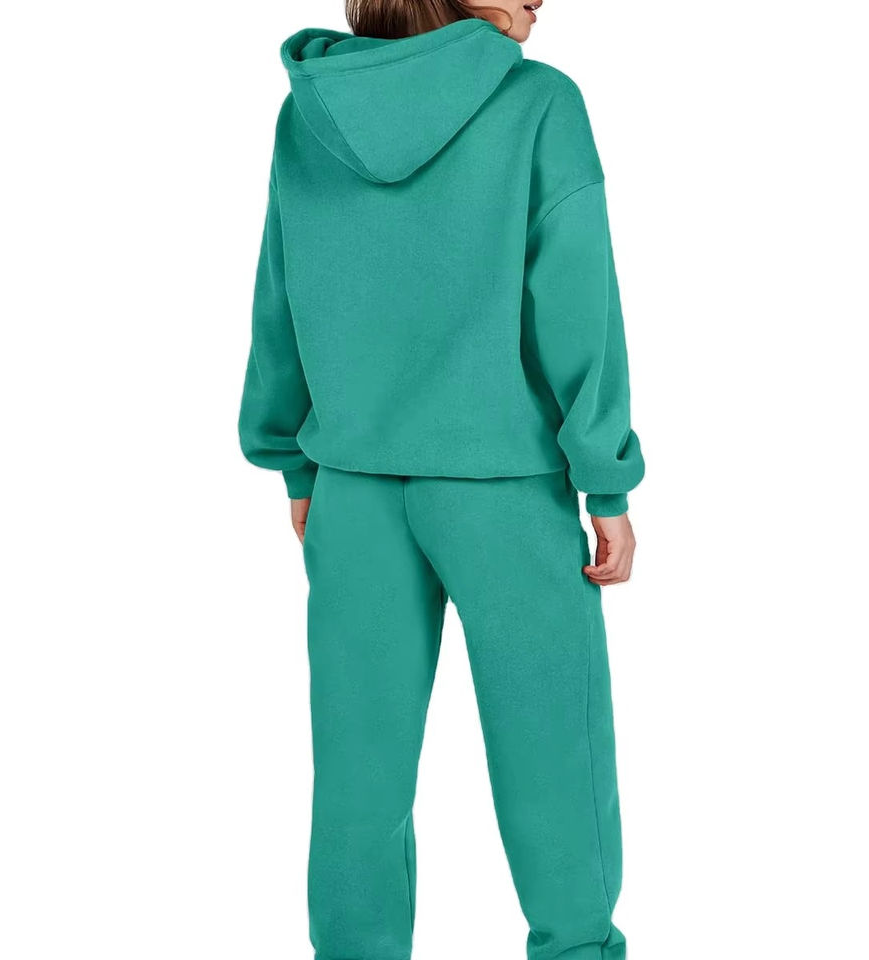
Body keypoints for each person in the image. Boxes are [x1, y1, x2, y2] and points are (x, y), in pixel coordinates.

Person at [239, 1, 644, 957]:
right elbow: (577, 299)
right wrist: (607, 482)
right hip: (504, 487)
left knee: (358, 777)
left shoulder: (312, 110)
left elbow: (281, 289)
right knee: (555, 757)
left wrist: (291, 458)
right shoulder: (540, 104)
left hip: (351, 491)